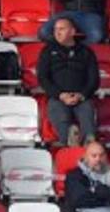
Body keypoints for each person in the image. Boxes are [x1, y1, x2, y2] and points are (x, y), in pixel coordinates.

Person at [38, 17, 100, 147]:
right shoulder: (47, 51)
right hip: (58, 97)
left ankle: (89, 144)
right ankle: (70, 141)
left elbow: (94, 80)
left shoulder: (86, 52)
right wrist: (60, 95)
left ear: (72, 32)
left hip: (82, 97)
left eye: (62, 29)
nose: (57, 32)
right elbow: (43, 78)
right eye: (55, 30)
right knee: (60, 116)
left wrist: (81, 95)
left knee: (87, 118)